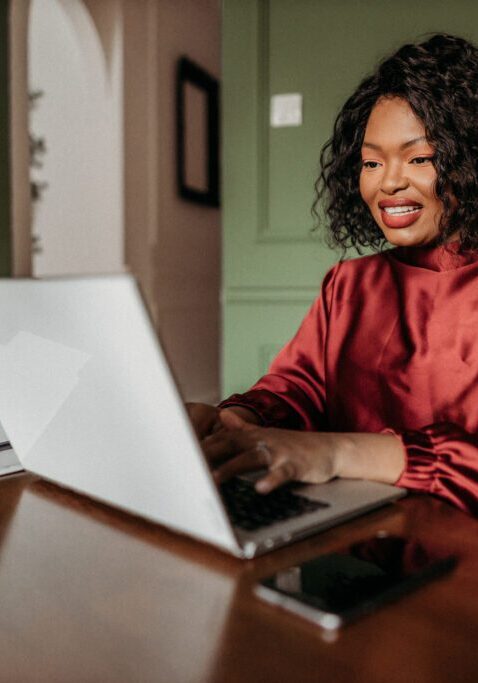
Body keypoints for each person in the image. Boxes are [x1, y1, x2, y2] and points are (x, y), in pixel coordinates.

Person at [187, 33, 478, 516]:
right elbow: (297, 388)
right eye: (370, 162)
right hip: (355, 536)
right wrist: (235, 422)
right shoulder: (348, 284)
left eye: (420, 157)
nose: (388, 181)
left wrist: (337, 451)